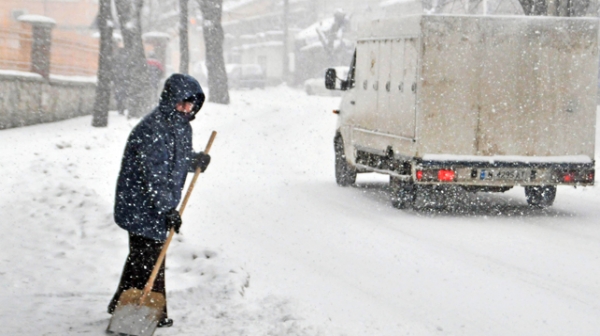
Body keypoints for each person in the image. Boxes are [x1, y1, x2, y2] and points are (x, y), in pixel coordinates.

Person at [107, 73, 211, 328]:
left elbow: (175, 160)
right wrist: (168, 210)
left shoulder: (180, 126)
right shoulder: (153, 128)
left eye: (191, 104)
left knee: (143, 256)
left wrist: (194, 161)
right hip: (140, 204)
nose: (187, 108)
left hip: (154, 204)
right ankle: (150, 312)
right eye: (182, 102)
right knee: (150, 258)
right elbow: (155, 175)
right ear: (169, 100)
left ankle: (122, 303)